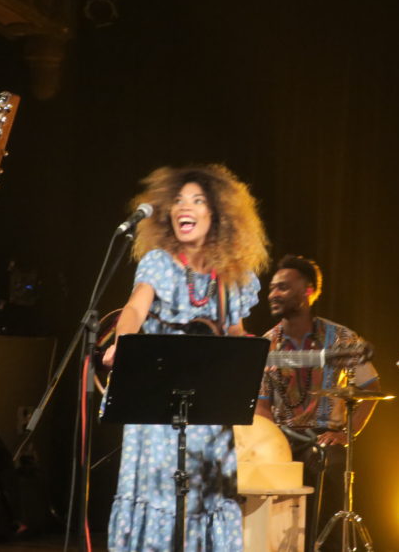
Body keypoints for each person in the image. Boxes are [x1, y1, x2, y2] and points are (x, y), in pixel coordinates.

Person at [102, 164, 269, 551]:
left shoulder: (231, 276)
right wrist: (123, 344)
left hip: (208, 412)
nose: (184, 207)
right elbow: (134, 308)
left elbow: (234, 332)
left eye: (197, 200)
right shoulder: (158, 262)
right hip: (158, 411)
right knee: (160, 495)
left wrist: (251, 356)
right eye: (178, 200)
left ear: (217, 215)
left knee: (205, 500)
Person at [254, 255, 379, 550]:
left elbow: (371, 388)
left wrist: (346, 433)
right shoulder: (266, 344)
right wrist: (271, 446)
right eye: (272, 288)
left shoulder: (340, 338)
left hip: (323, 437)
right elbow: (262, 406)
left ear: (308, 291)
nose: (273, 294)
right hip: (280, 439)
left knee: (330, 467)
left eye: (283, 287)